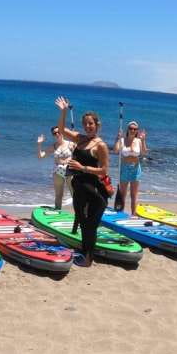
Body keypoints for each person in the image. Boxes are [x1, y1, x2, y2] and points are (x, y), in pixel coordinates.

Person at [55, 96, 110, 267]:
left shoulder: (100, 145)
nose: (88, 126)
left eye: (91, 124)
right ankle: (84, 251)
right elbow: (62, 130)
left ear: (97, 125)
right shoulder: (80, 139)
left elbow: (104, 170)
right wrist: (63, 112)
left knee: (90, 226)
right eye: (85, 123)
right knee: (82, 221)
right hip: (78, 187)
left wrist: (82, 167)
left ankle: (88, 258)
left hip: (94, 191)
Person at [113, 121, 147, 216]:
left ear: (137, 131)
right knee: (123, 193)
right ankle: (120, 213)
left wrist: (144, 140)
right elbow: (115, 150)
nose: (132, 130)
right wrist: (117, 138)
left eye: (135, 129)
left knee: (134, 194)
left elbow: (144, 153)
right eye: (131, 128)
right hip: (125, 168)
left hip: (135, 169)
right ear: (127, 129)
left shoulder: (139, 141)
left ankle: (133, 215)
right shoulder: (122, 140)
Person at [37, 126, 74, 210]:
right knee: (58, 195)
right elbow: (40, 156)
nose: (57, 134)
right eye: (54, 133)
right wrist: (39, 144)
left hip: (70, 171)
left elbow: (80, 153)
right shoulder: (53, 146)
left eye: (58, 132)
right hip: (58, 172)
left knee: (74, 194)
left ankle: (80, 215)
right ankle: (58, 212)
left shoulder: (70, 144)